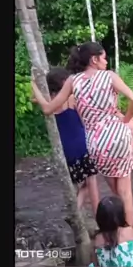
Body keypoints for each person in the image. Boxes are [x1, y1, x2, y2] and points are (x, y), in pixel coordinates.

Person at [31, 41, 133, 249]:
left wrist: (34, 86)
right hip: (118, 136)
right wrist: (126, 120)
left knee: (117, 193)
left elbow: (47, 108)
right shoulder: (109, 76)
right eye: (104, 57)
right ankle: (132, 241)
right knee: (125, 194)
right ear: (94, 59)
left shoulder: (73, 81)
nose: (106, 61)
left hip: (96, 143)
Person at [32, 67, 100, 215]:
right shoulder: (71, 99)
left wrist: (34, 85)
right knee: (91, 183)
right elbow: (84, 121)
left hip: (66, 150)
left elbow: (37, 100)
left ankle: (75, 211)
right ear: (64, 82)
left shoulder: (50, 102)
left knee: (83, 184)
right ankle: (95, 216)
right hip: (82, 145)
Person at [90, 194, 133, 267]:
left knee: (91, 265)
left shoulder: (97, 239)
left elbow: (96, 264)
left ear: (99, 218)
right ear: (121, 215)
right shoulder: (129, 231)